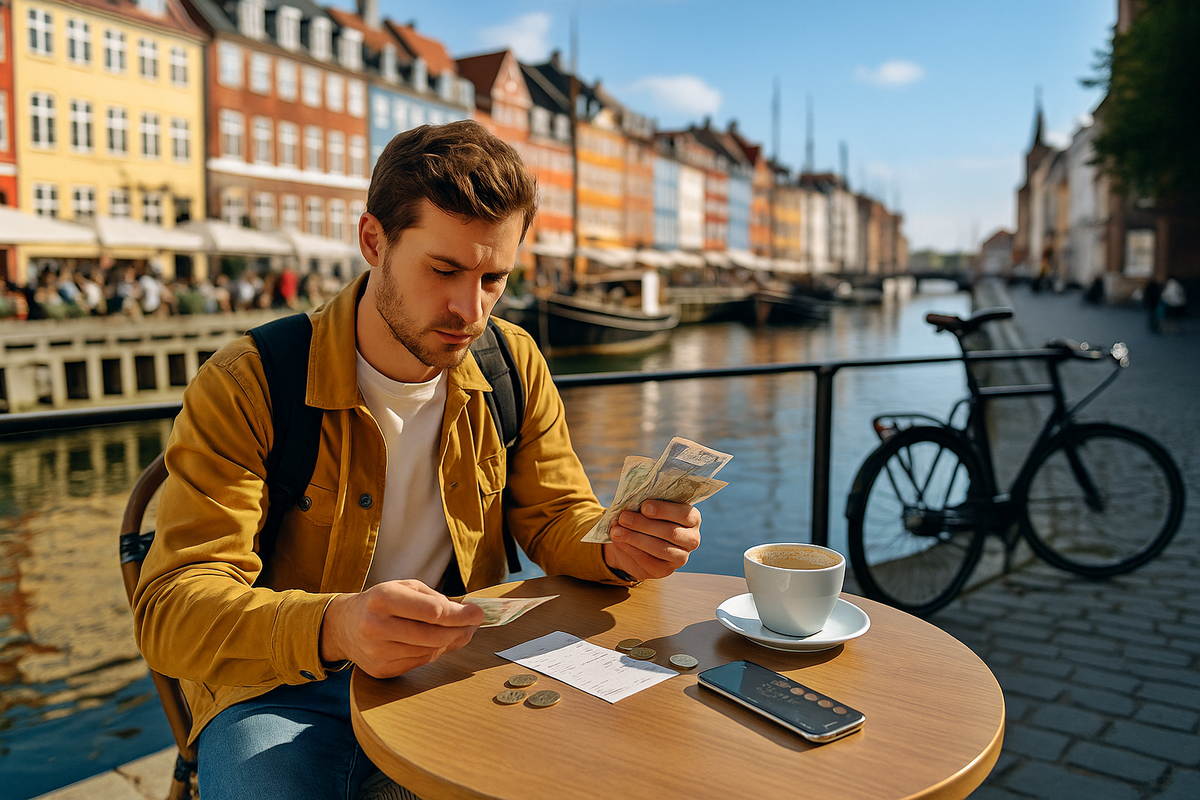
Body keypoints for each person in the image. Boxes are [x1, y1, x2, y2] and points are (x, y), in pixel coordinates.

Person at [132, 121, 702, 800]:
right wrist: (334, 625)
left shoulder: (511, 361)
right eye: (445, 270)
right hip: (279, 688)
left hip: (454, 666)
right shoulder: (249, 381)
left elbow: (554, 519)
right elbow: (170, 611)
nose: (472, 309)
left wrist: (618, 545)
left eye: (494, 277)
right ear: (373, 241)